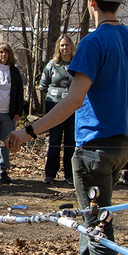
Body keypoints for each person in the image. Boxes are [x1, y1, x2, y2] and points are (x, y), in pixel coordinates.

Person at [7, 0, 128, 255]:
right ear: (118, 3)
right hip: (122, 146)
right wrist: (121, 117)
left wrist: (29, 131)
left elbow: (72, 100)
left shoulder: (93, 43)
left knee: (97, 224)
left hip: (93, 150)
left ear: (91, 2)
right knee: (92, 215)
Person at [38, 35, 76, 184]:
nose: (65, 48)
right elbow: (43, 85)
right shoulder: (52, 65)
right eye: (62, 46)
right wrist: (55, 97)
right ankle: (50, 174)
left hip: (72, 108)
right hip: (54, 106)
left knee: (70, 142)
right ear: (58, 48)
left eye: (67, 45)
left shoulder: (77, 64)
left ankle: (70, 175)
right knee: (54, 140)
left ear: (71, 47)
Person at [0, 41, 24, 184]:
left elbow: (20, 93)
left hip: (9, 114)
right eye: (0, 52)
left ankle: (3, 170)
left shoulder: (14, 71)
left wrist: (18, 111)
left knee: (6, 143)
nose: (3, 54)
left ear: (9, 54)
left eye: (5, 52)